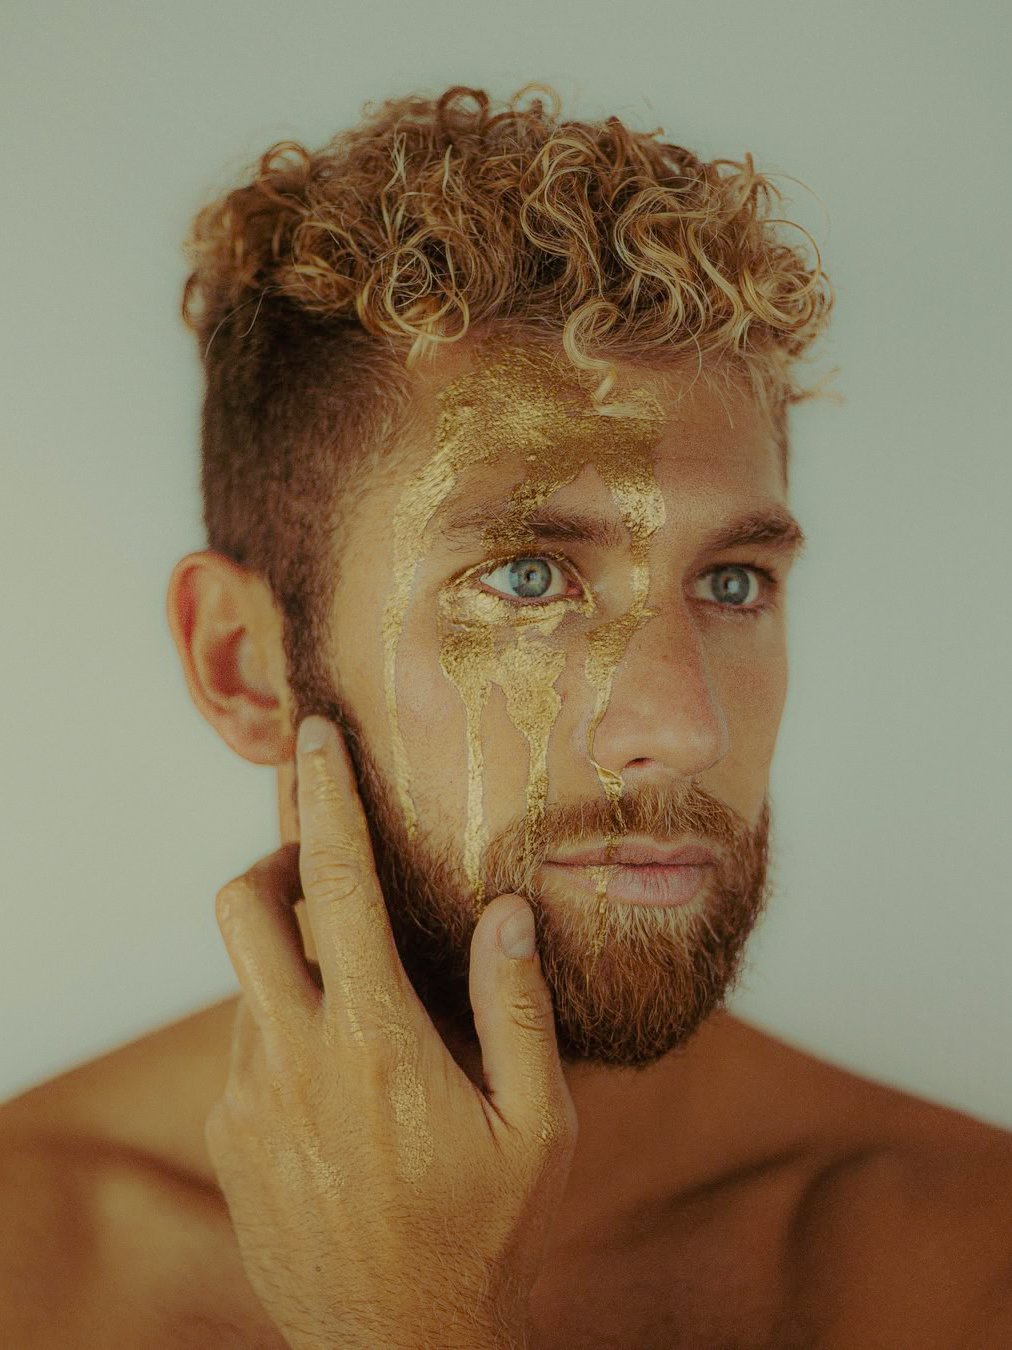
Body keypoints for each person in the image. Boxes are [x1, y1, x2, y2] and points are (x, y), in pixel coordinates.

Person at [2, 83, 1009, 1349]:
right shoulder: (27, 1261)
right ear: (245, 665)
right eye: (528, 579)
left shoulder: (969, 1259)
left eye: (732, 581)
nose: (684, 729)